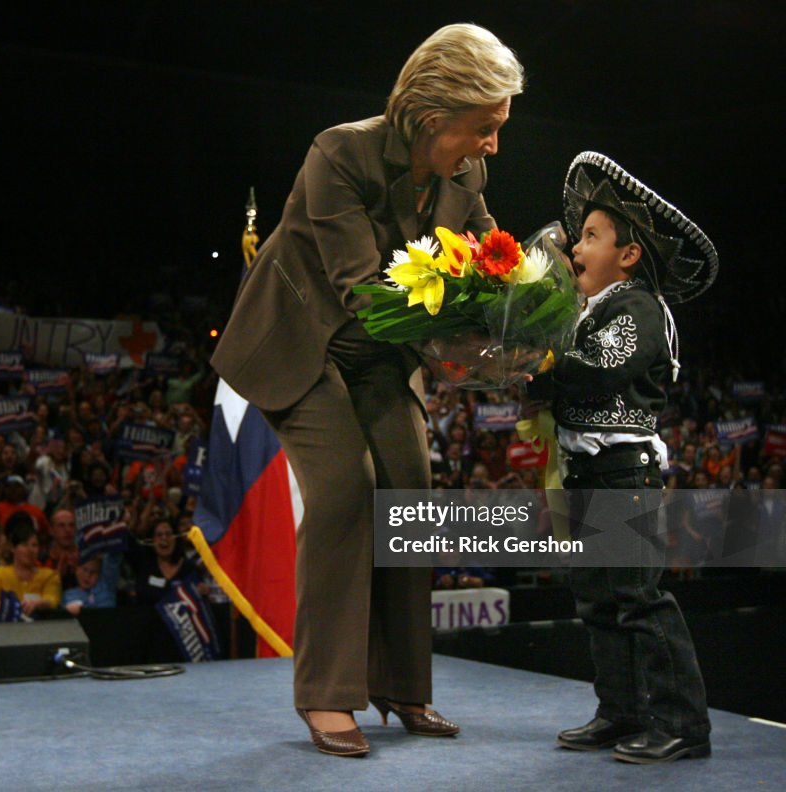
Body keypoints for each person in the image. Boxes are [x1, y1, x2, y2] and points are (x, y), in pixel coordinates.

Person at [209, 23, 523, 756]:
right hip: (302, 346)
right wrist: (458, 349)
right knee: (348, 489)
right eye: (485, 128)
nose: (493, 147)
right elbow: (362, 290)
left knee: (410, 489)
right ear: (432, 114)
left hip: (382, 355)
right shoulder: (340, 152)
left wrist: (514, 330)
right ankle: (326, 695)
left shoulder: (465, 175)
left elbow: (490, 269)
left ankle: (402, 685)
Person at [527, 151, 718, 763]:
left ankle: (683, 724)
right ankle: (621, 711)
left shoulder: (635, 307)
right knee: (598, 599)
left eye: (590, 236)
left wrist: (542, 360)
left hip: (622, 475)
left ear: (629, 256)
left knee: (638, 597)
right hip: (587, 473)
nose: (575, 246)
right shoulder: (585, 311)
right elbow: (555, 381)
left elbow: (596, 372)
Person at [0, 513, 61, 617]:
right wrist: (13, 609)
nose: (30, 550)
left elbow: (52, 600)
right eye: (24, 545)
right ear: (12, 548)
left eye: (34, 545)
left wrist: (37, 604)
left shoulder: (50, 575)